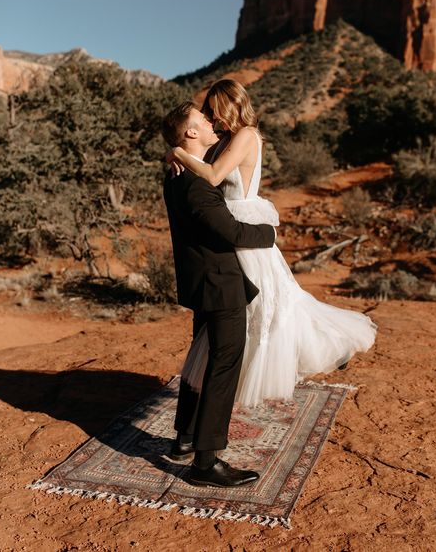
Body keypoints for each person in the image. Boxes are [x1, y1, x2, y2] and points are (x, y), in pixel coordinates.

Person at [167, 79, 378, 408]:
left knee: (271, 304)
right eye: (207, 112)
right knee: (258, 305)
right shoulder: (225, 139)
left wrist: (177, 151)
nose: (211, 117)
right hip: (226, 224)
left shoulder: (247, 135)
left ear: (232, 105)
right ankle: (211, 397)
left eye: (214, 110)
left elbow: (212, 176)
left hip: (241, 225)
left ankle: (331, 346)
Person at [161, 100, 276, 487]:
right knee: (222, 366)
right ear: (191, 133)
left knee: (200, 359)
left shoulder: (176, 175)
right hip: (221, 284)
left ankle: (185, 438)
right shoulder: (198, 185)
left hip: (202, 282)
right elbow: (233, 233)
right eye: (203, 120)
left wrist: (173, 151)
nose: (212, 123)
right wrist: (272, 232)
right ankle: (206, 463)